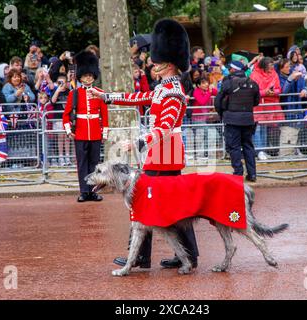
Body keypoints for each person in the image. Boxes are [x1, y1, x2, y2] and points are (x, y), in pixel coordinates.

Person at [91, 18, 199, 270]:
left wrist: (138, 140)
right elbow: (137, 97)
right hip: (160, 153)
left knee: (144, 199)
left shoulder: (173, 92)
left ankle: (143, 255)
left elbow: (165, 127)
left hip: (167, 154)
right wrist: (106, 96)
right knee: (166, 203)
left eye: (158, 61)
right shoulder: (164, 87)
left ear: (169, 64)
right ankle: (184, 254)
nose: (152, 62)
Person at [62, 51, 109, 202]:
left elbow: (105, 114)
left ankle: (93, 191)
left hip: (95, 132)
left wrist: (105, 132)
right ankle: (84, 191)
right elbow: (66, 114)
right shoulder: (74, 94)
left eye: (90, 75)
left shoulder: (100, 93)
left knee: (95, 164)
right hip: (80, 133)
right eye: (85, 75)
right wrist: (69, 131)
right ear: (80, 77)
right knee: (82, 164)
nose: (88, 78)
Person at [215, 60, 260, 181]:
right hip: (248, 120)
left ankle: (238, 173)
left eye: (230, 69)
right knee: (248, 146)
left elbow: (218, 101)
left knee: (234, 147)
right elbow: (256, 102)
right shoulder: (253, 83)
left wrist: (222, 114)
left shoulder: (228, 83)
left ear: (233, 70)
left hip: (232, 120)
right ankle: (252, 174)